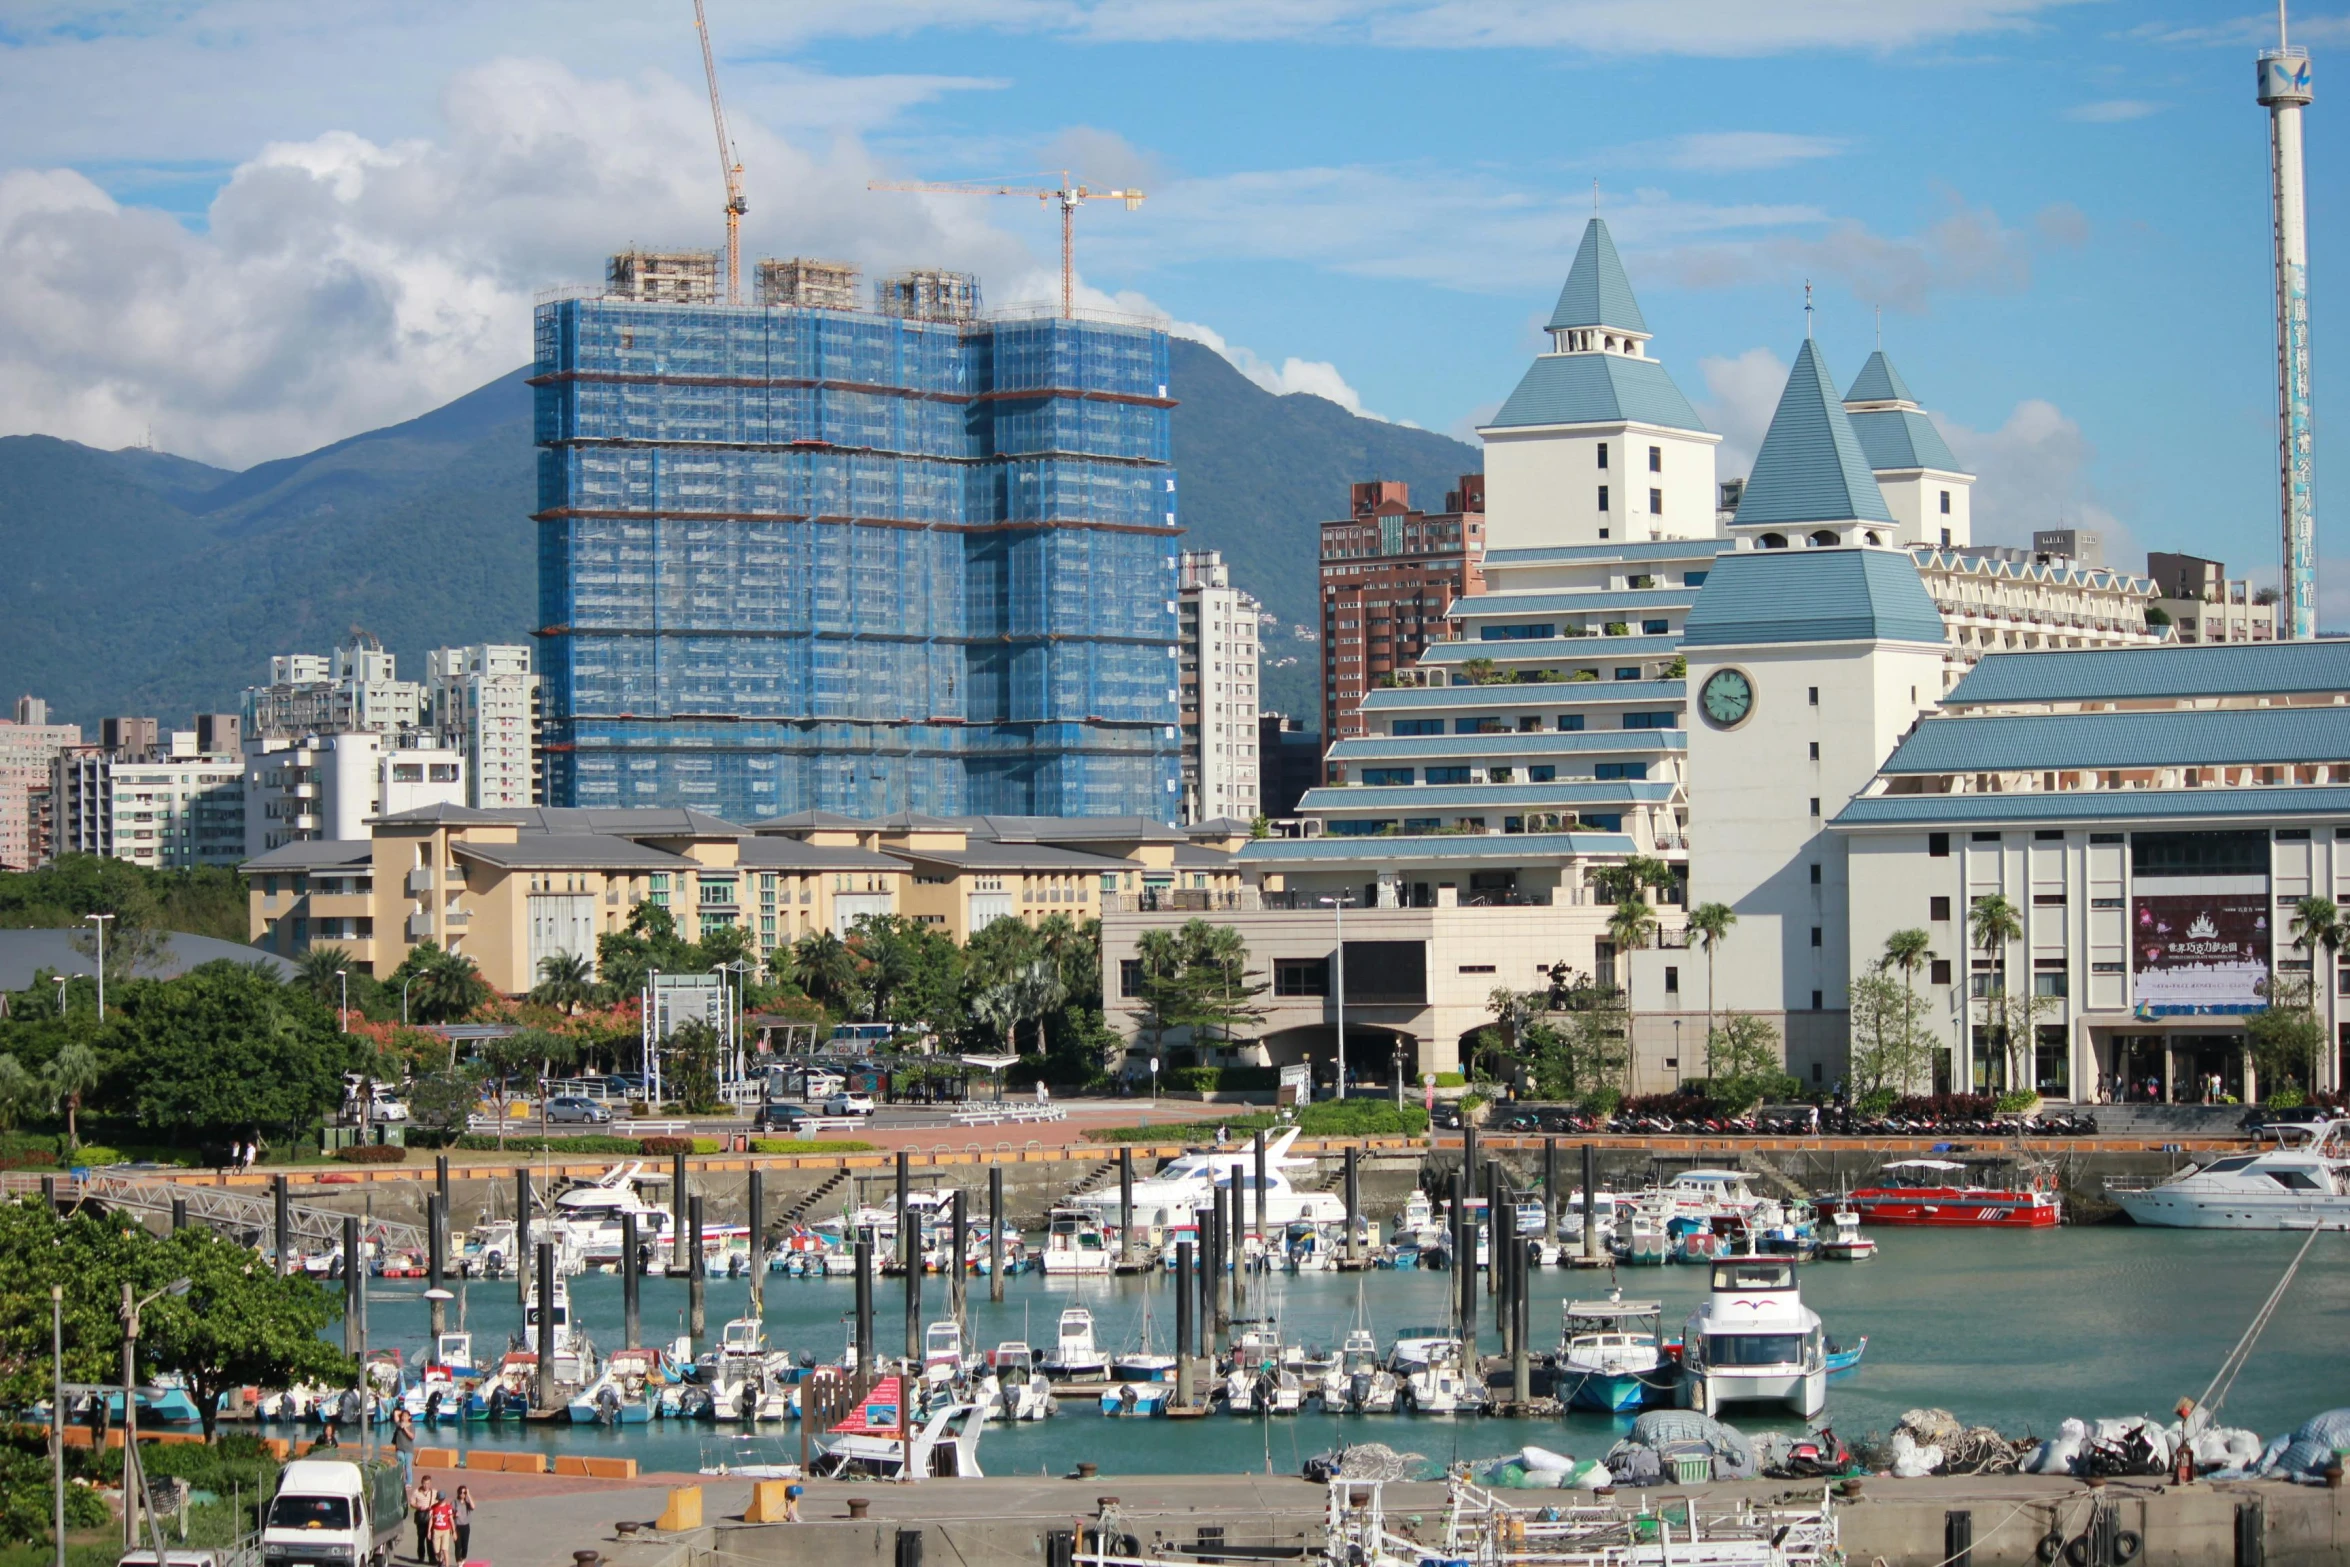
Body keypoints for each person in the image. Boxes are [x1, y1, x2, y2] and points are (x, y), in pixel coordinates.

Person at [408, 1477, 435, 1562]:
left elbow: (438, 1502)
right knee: (421, 1538)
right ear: (421, 1483)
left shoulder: (434, 1492)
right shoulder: (416, 1492)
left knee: (430, 1538)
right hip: (421, 1516)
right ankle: (421, 1557)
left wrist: (432, 1507)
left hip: (431, 1516)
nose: (426, 1485)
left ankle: (432, 1558)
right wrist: (418, 1507)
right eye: (424, 1483)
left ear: (430, 1483)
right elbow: (412, 1503)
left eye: (427, 1483)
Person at [429, 1490, 456, 1567]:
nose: (440, 1500)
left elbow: (451, 1519)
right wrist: (429, 1531)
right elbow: (431, 1519)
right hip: (436, 1530)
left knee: (445, 1549)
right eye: (439, 1499)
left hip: (446, 1530)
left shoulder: (448, 1507)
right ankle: (441, 1560)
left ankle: (447, 1565)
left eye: (442, 1499)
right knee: (436, 1550)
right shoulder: (433, 1507)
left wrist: (454, 1531)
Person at [392, 1406, 417, 1485]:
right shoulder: (398, 1424)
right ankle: (400, 1480)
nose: (404, 1417)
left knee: (408, 1466)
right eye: (403, 1416)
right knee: (400, 1463)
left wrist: (405, 1428)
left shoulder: (411, 1426)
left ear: (409, 1417)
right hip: (400, 1448)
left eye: (406, 1416)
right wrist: (403, 1412)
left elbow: (412, 1437)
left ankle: (409, 1482)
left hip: (409, 1449)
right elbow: (395, 1413)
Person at [451, 1487, 475, 1561]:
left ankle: (463, 1558)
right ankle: (458, 1561)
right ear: (458, 1493)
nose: (462, 1494)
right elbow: (449, 1515)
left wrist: (468, 1495)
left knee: (465, 1545)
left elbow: (473, 1507)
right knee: (458, 1546)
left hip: (465, 1526)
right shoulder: (454, 1502)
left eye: (464, 1493)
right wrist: (454, 1515)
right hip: (457, 1526)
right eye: (461, 1492)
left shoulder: (467, 1502)